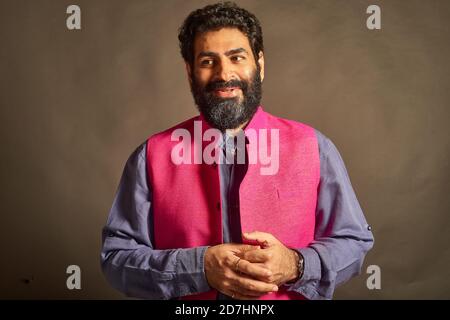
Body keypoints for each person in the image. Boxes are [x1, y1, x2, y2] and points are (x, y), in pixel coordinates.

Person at [100, 1, 374, 300]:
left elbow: (353, 241)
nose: (223, 73)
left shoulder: (315, 148)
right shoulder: (149, 157)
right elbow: (116, 259)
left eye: (236, 57)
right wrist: (199, 267)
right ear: (190, 72)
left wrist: (296, 264)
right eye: (207, 61)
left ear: (260, 64)